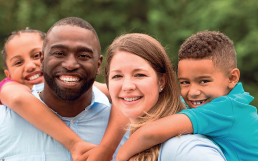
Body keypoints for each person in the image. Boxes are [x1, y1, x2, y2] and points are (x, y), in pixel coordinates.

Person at [115, 31, 258, 161]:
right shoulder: (218, 103)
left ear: (232, 78)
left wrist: (121, 156)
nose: (193, 92)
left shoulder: (226, 109)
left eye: (204, 81)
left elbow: (149, 133)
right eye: (185, 82)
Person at [0, 17, 128, 161]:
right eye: (59, 53)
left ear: (99, 65)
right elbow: (17, 98)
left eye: (83, 55)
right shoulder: (5, 118)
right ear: (43, 59)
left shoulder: (131, 125)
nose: (70, 65)